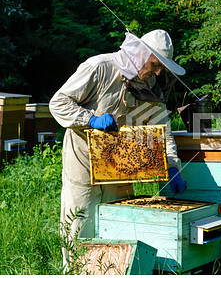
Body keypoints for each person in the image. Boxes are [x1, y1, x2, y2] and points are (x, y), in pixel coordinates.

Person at [49, 30, 187, 269]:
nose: (157, 72)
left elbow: (162, 131)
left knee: (117, 223)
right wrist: (90, 118)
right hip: (83, 157)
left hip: (121, 164)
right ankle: (73, 275)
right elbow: (58, 102)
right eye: (155, 65)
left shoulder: (151, 85)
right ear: (141, 53)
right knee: (80, 222)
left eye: (161, 67)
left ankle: (110, 275)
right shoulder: (99, 68)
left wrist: (172, 166)